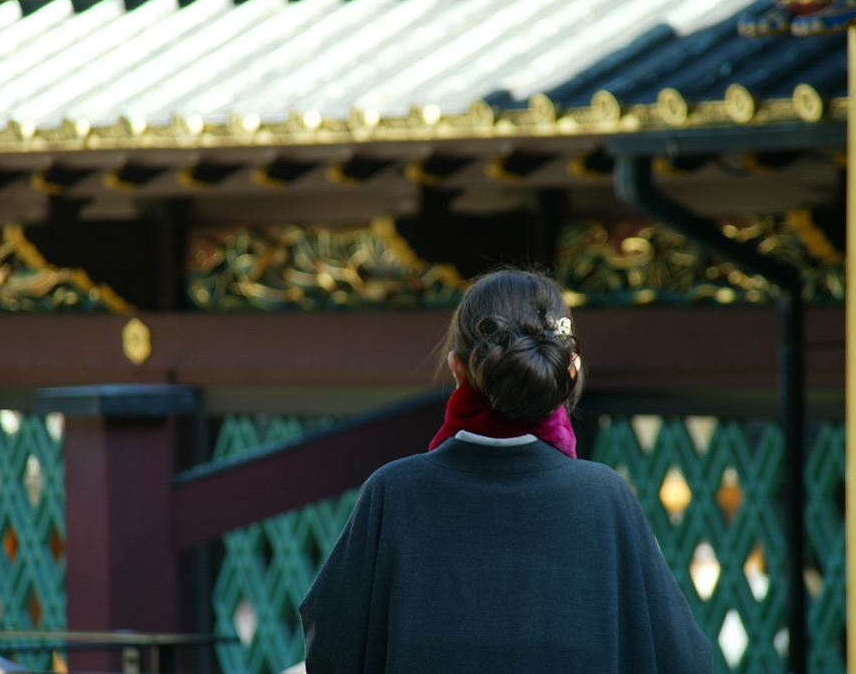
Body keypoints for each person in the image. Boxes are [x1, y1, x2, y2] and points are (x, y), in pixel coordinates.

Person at [299, 268, 712, 673]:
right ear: (571, 369)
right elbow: (683, 660)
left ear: (457, 368)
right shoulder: (604, 498)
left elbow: (331, 650)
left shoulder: (393, 492)